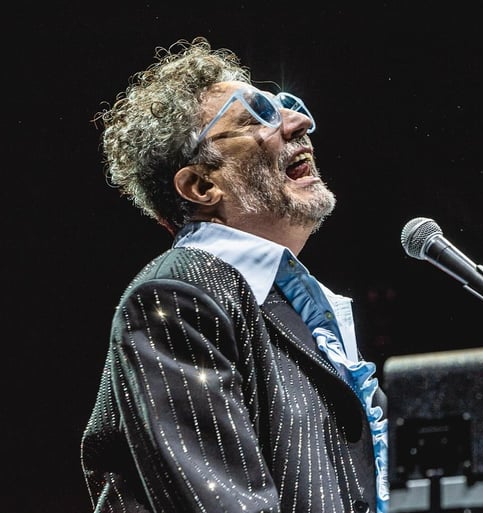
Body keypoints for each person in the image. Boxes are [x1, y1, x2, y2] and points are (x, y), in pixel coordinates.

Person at [80, 36, 388, 513]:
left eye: (286, 107)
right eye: (256, 117)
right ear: (201, 185)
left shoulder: (289, 307)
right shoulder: (176, 296)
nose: (300, 122)